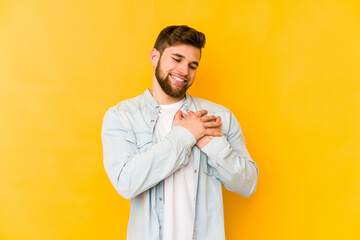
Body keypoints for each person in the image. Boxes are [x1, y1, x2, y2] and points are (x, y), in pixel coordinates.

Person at [101, 25, 259, 240]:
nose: (184, 71)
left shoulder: (219, 116)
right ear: (155, 57)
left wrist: (212, 145)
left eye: (192, 65)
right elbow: (126, 184)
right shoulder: (122, 116)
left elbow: (248, 184)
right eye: (177, 59)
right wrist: (184, 137)